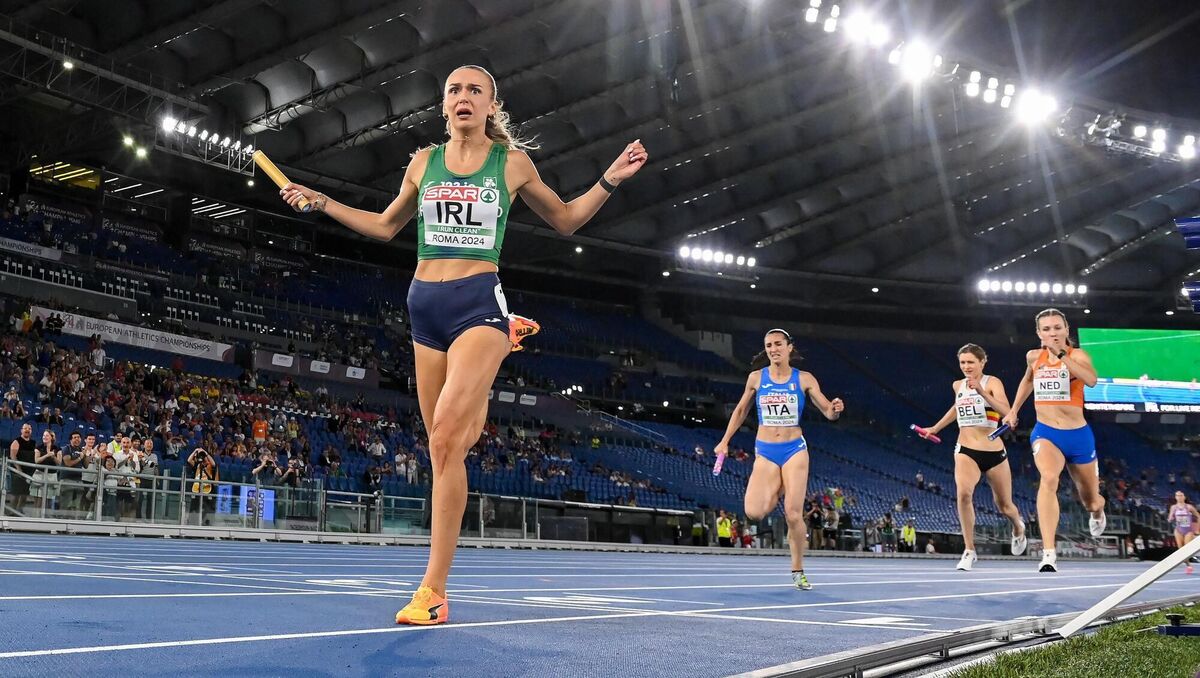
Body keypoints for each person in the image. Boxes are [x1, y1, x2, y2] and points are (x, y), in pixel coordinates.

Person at [278, 64, 647, 625]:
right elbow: (383, 227)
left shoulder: (512, 163)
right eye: (455, 89)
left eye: (475, 90)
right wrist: (323, 202)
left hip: (477, 300)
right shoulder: (423, 163)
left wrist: (610, 178)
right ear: (443, 105)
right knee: (447, 444)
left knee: (448, 434)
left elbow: (567, 221)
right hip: (424, 306)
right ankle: (508, 335)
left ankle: (433, 590)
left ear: (492, 106)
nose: (464, 97)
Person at [715, 329, 844, 590]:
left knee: (793, 514)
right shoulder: (756, 378)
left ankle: (797, 570)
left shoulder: (804, 379)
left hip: (794, 450)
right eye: (768, 345)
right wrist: (725, 441)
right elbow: (741, 410)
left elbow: (828, 411)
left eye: (778, 344)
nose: (773, 349)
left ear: (789, 348)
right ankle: (780, 485)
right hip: (765, 450)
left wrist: (835, 409)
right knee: (754, 511)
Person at [1003, 308, 1105, 573]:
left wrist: (1061, 355)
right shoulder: (1033, 356)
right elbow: (1027, 381)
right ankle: (1049, 553)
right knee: (1049, 478)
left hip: (1078, 435)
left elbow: (1091, 380)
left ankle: (1097, 511)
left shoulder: (1078, 355)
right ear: (1039, 334)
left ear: (1066, 330)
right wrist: (1013, 410)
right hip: (1046, 432)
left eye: (1057, 327)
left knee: (1091, 500)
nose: (1052, 333)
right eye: (1046, 329)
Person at [918, 343, 1027, 571]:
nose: (966, 366)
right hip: (966, 449)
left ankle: (1018, 526)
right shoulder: (957, 385)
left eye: (971, 362)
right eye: (962, 362)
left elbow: (1007, 412)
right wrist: (935, 428)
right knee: (964, 494)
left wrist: (981, 391)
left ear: (982, 362)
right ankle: (969, 550)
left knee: (1005, 506)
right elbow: (957, 408)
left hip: (994, 451)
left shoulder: (992, 382)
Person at [1168, 491, 1200, 574]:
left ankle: (1189, 561)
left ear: (1184, 497)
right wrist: (1170, 519)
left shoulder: (1189, 507)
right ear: (1175, 497)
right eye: (1177, 495)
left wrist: (1197, 529)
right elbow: (1170, 517)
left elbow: (1198, 516)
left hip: (1188, 530)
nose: (1179, 497)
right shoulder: (1173, 507)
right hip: (1178, 530)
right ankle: (1188, 565)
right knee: (1181, 550)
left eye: (1181, 495)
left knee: (1186, 549)